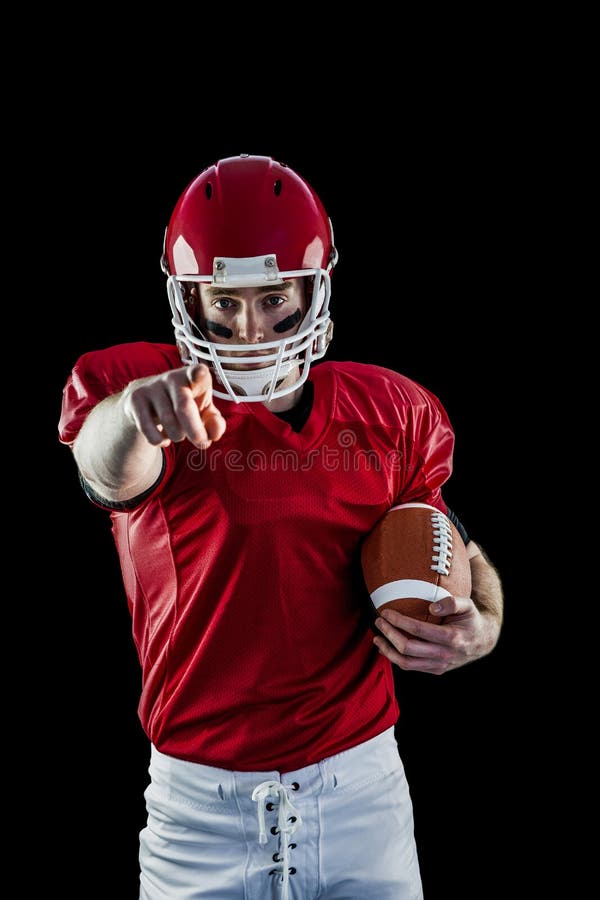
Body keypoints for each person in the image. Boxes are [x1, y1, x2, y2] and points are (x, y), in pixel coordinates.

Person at [58, 154, 503, 900]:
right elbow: (106, 472)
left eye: (273, 300)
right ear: (187, 301)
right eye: (223, 304)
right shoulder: (152, 398)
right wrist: (137, 412)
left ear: (313, 289)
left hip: (360, 794)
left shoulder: (390, 411)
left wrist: (485, 615)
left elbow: (444, 529)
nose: (247, 328)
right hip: (199, 815)